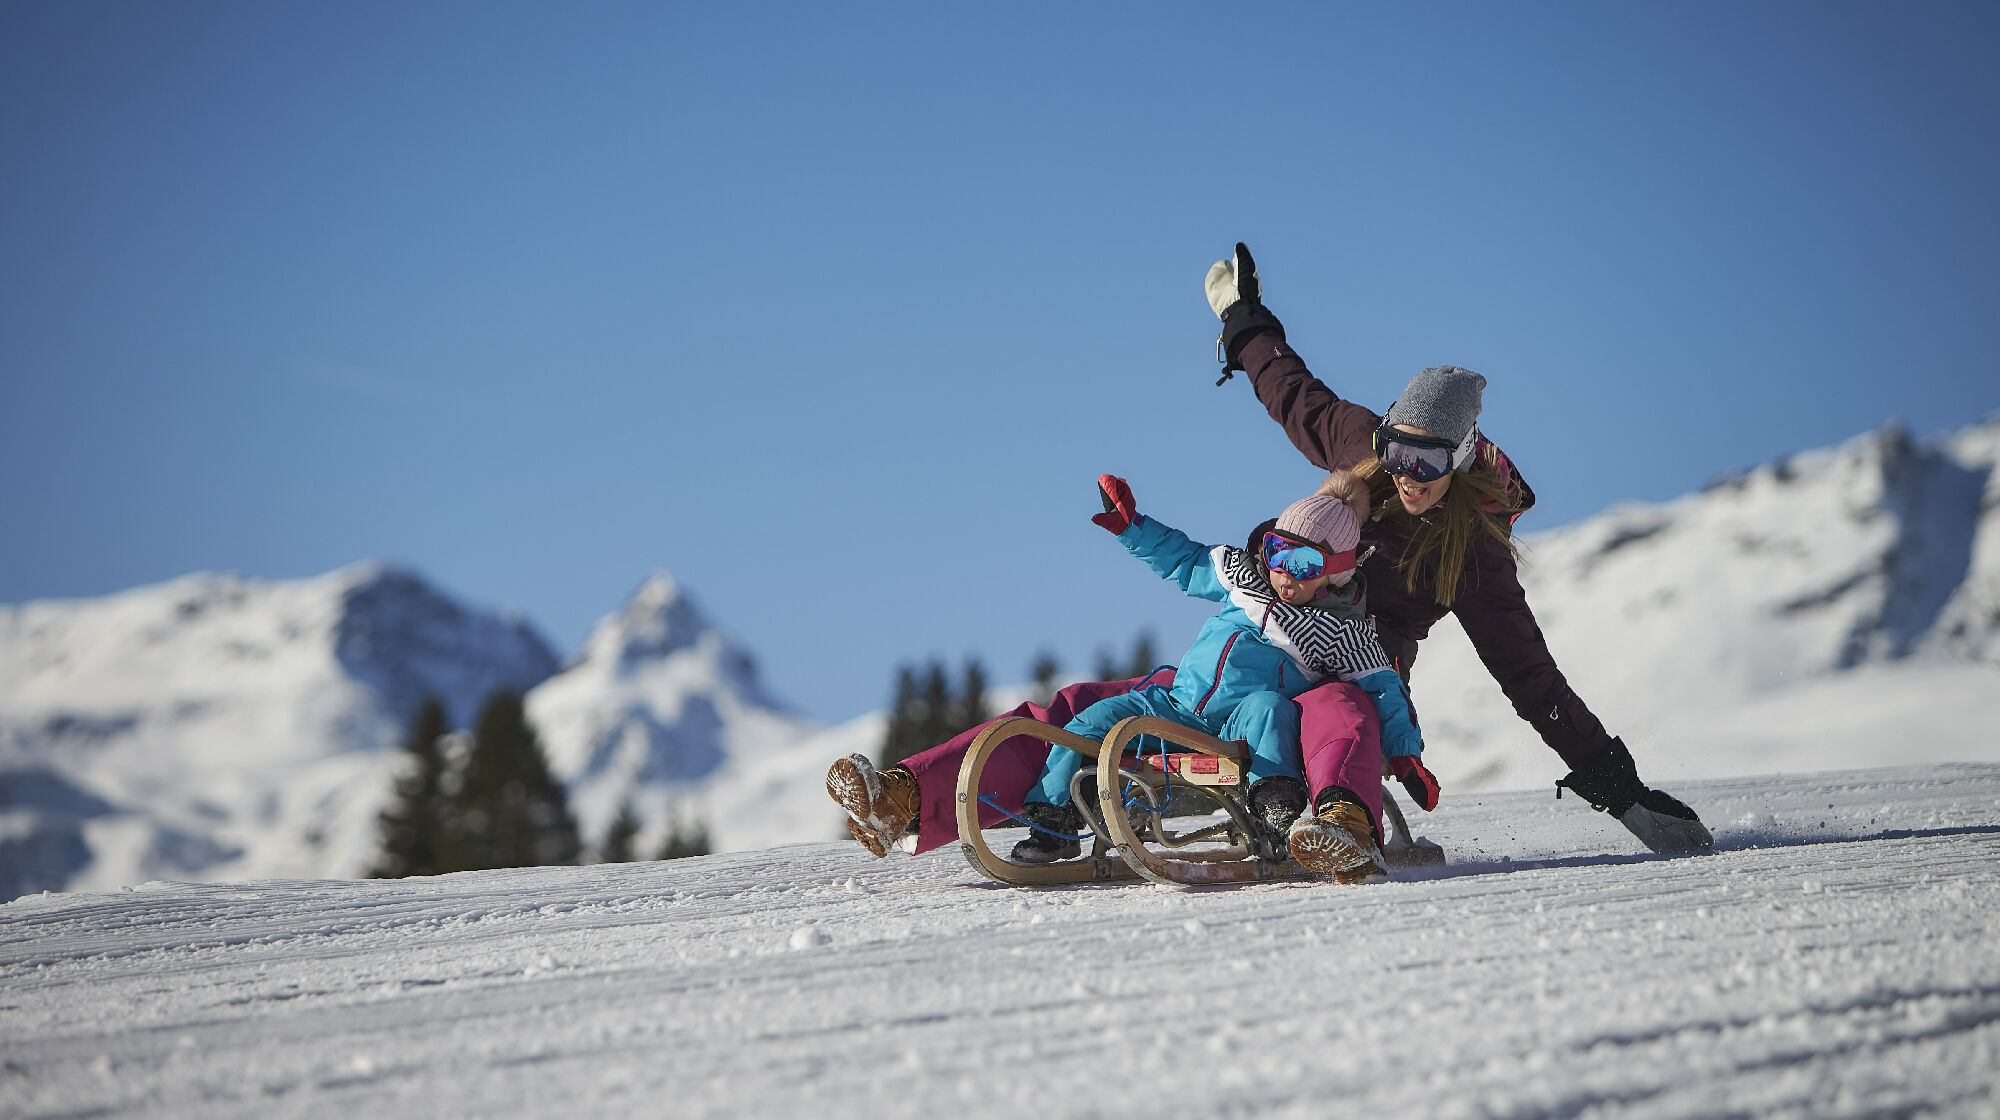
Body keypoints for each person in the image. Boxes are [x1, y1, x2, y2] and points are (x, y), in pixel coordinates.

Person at [1203, 242, 1712, 853]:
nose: (1407, 474)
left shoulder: (1473, 552)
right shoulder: (1360, 446)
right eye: (1397, 453)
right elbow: (1291, 392)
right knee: (1225, 673)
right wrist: (1242, 318)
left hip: (1368, 657)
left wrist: (1623, 793)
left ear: (1462, 456)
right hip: (1286, 612)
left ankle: (1333, 812)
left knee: (1341, 706)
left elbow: (1529, 677)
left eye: (1428, 461)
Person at [997, 474, 1435, 882]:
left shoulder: (1339, 630)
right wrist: (1132, 528)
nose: (1283, 573)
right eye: (1278, 553)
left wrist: (1405, 753)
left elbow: (1383, 686)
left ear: (1335, 570)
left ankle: (1276, 810)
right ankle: (1053, 824)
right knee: (1093, 721)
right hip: (1177, 705)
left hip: (1237, 723)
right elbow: (1185, 560)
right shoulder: (1244, 577)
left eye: (1303, 564)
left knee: (1271, 709)